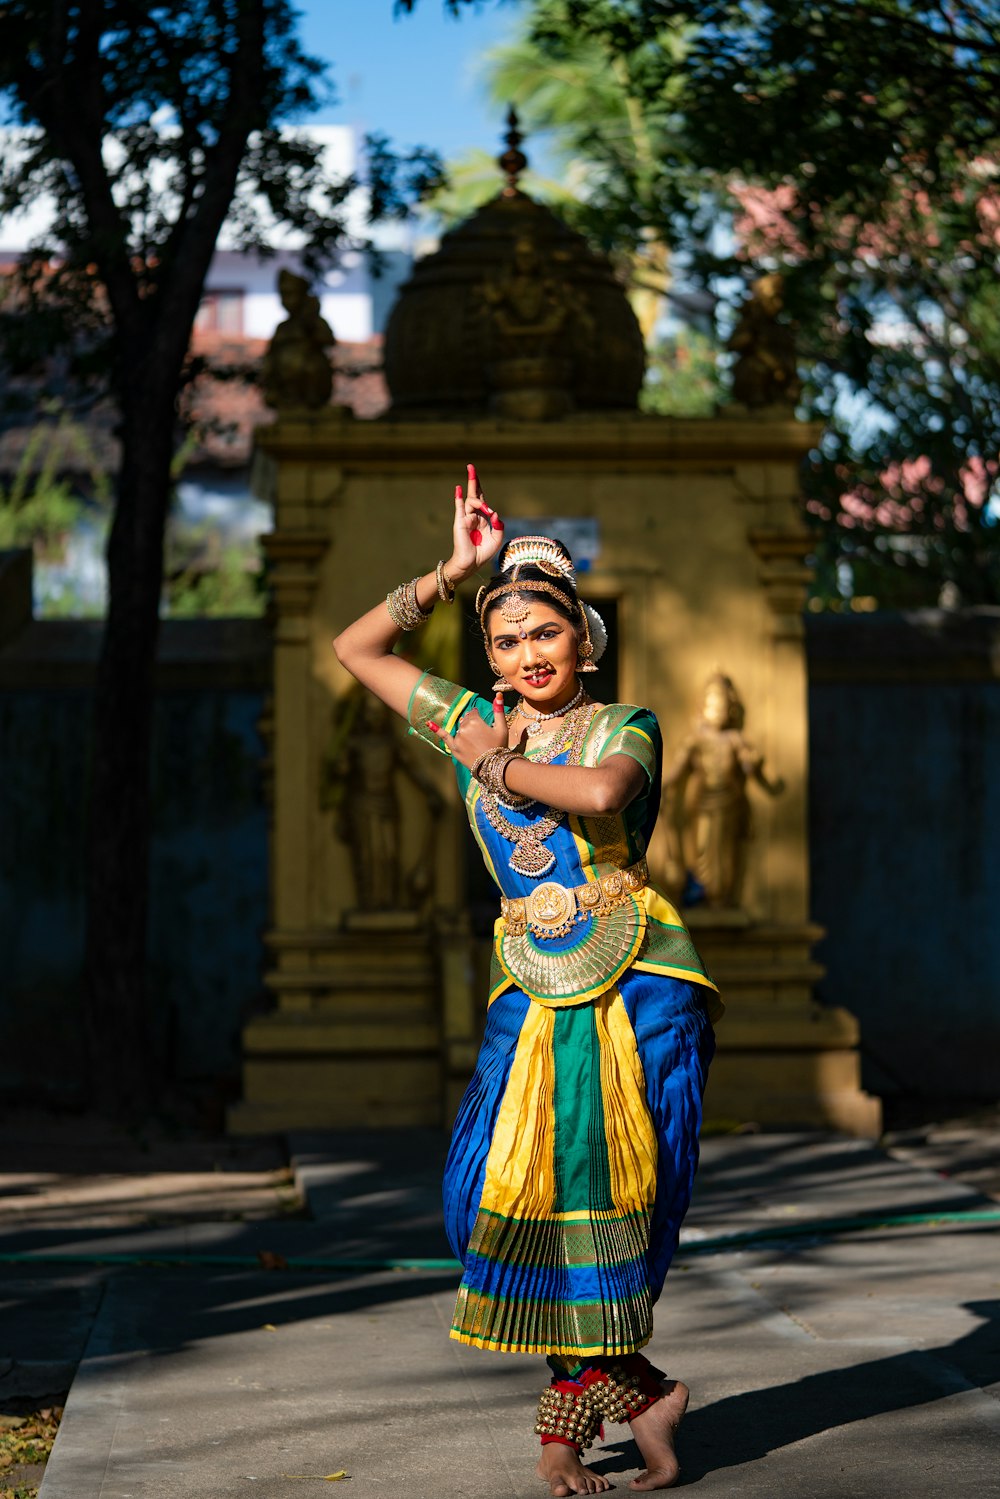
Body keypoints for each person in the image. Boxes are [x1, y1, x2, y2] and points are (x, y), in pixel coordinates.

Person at [332, 465, 722, 1496]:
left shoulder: (621, 723)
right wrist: (450, 575)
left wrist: (494, 763)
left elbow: (597, 792)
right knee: (489, 1195)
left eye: (543, 634)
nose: (525, 655)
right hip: (530, 981)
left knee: (602, 1189)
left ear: (580, 640)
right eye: (504, 640)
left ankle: (566, 1413)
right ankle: (635, 1389)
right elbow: (354, 648)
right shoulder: (466, 710)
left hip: (632, 975)